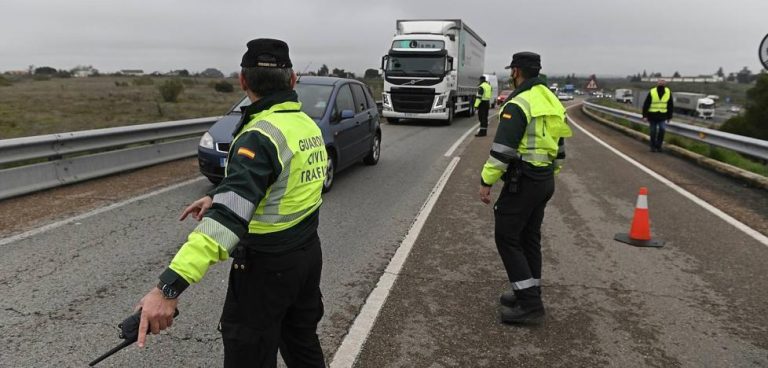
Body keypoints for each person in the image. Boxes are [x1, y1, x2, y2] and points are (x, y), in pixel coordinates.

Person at [134, 38, 328, 367]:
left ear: (243, 81)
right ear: (293, 80)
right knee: (301, 342)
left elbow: (226, 222)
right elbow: (281, 182)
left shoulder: (260, 134)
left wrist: (167, 289)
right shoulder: (305, 125)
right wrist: (216, 195)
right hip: (307, 256)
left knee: (248, 353)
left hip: (267, 268)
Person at [478, 52, 572, 324]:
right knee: (529, 237)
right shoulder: (551, 100)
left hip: (524, 179)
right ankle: (529, 290)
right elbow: (560, 146)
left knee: (506, 236)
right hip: (544, 181)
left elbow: (502, 151)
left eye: (512, 71)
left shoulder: (518, 102)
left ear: (517, 71)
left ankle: (530, 305)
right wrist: (549, 174)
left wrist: (487, 182)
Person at [642, 79, 673, 152]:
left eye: (663, 82)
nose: (661, 83)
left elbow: (670, 105)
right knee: (653, 132)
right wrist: (644, 116)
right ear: (657, 83)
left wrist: (669, 116)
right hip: (652, 115)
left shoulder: (668, 92)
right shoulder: (652, 91)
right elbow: (646, 104)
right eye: (660, 82)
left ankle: (658, 146)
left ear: (665, 83)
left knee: (662, 130)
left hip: (662, 116)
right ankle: (652, 146)